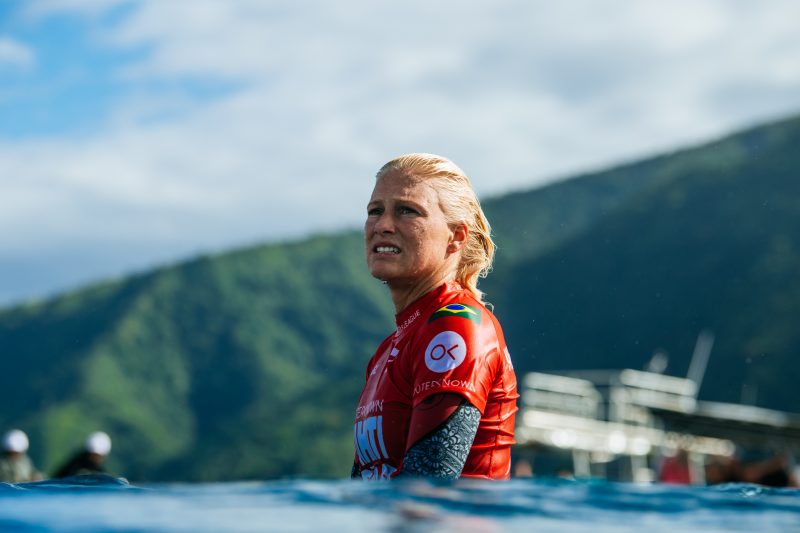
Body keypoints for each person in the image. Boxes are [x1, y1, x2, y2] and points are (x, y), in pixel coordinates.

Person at [352, 153, 518, 481]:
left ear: (456, 236)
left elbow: (429, 483)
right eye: (375, 211)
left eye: (407, 211)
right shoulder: (386, 351)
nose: (383, 225)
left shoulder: (457, 326)